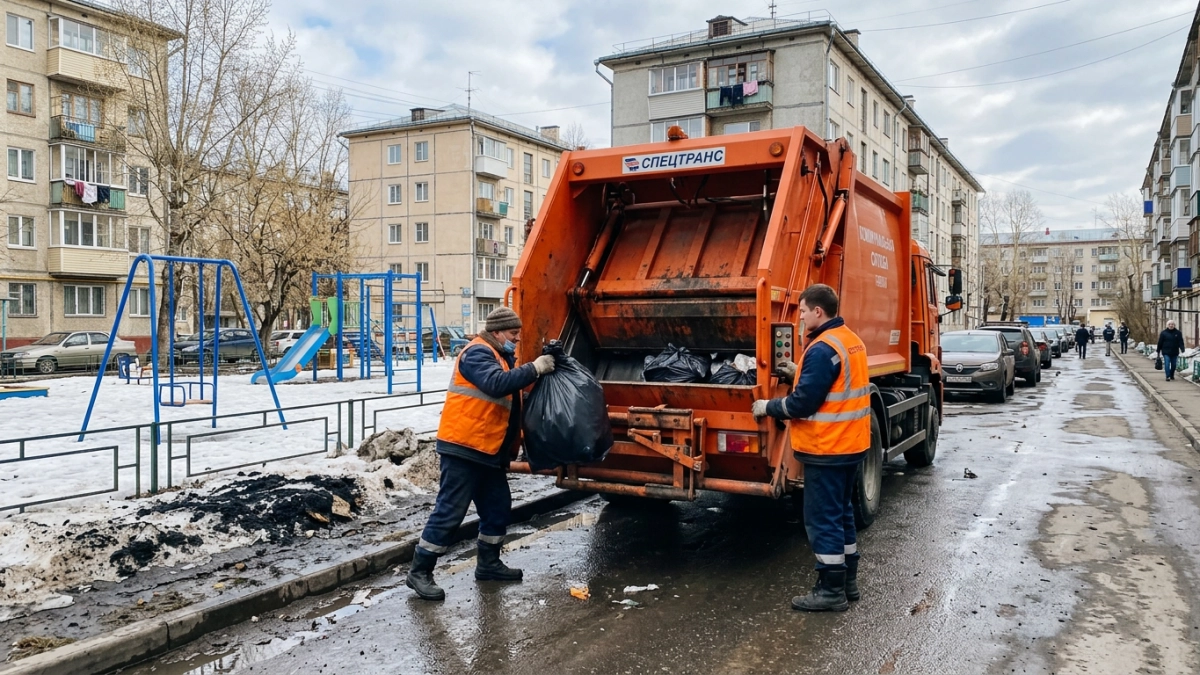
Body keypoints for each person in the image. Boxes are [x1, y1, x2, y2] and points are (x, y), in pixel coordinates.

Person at [406, 307, 558, 601]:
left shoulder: (500, 355)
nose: (516, 339)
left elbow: (508, 394)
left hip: (486, 450)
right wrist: (535, 368)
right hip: (464, 448)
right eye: (513, 334)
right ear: (499, 331)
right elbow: (495, 383)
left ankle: (488, 564)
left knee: (498, 507)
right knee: (450, 511)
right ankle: (420, 571)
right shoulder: (477, 352)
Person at [752, 284, 870, 613]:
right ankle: (848, 583)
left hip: (826, 448)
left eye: (803, 311)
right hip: (850, 445)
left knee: (822, 519)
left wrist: (767, 406)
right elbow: (832, 383)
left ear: (819, 311)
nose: (800, 317)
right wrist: (800, 371)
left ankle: (831, 590)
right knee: (842, 514)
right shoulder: (850, 340)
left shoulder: (821, 349)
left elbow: (803, 403)